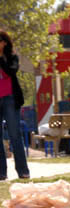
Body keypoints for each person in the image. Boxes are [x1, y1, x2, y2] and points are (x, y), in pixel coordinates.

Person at [0, 30, 30, 180]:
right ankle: (1, 173)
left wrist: (0, 59)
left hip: (10, 99)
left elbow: (10, 72)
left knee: (15, 135)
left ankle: (23, 171)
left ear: (4, 42)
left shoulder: (12, 57)